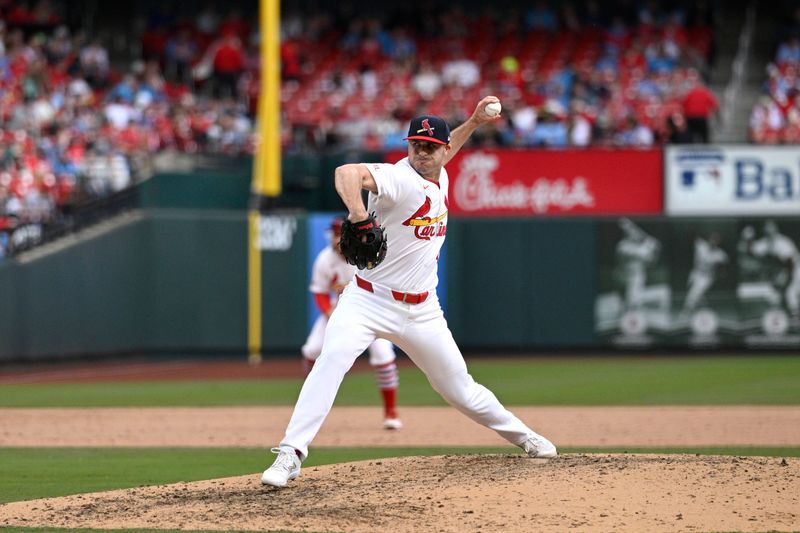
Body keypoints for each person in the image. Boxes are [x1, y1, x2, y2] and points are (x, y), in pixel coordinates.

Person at [261, 96, 557, 488]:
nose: (422, 152)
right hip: (367, 300)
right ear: (409, 145)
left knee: (460, 389)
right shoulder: (398, 177)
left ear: (443, 149)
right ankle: (290, 454)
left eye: (431, 146)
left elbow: (451, 148)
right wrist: (358, 213)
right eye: (416, 144)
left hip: (422, 311)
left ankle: (525, 436)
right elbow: (346, 172)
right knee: (330, 362)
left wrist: (471, 121)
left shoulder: (442, 171)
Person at [302, 216, 401, 430]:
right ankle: (310, 405)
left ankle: (391, 411)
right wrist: (328, 311)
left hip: (374, 312)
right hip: (339, 312)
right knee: (311, 350)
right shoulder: (324, 260)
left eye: (340, 234)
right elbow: (319, 292)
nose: (337, 239)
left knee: (384, 355)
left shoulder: (368, 252)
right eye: (335, 234)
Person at [682, 232, 728, 313]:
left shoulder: (720, 254)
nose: (714, 241)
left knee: (693, 294)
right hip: (695, 272)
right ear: (709, 239)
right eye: (713, 239)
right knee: (695, 294)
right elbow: (689, 235)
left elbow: (723, 267)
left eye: (716, 240)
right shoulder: (701, 244)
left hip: (707, 277)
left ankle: (685, 313)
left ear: (719, 242)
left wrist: (721, 273)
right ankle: (705, 309)